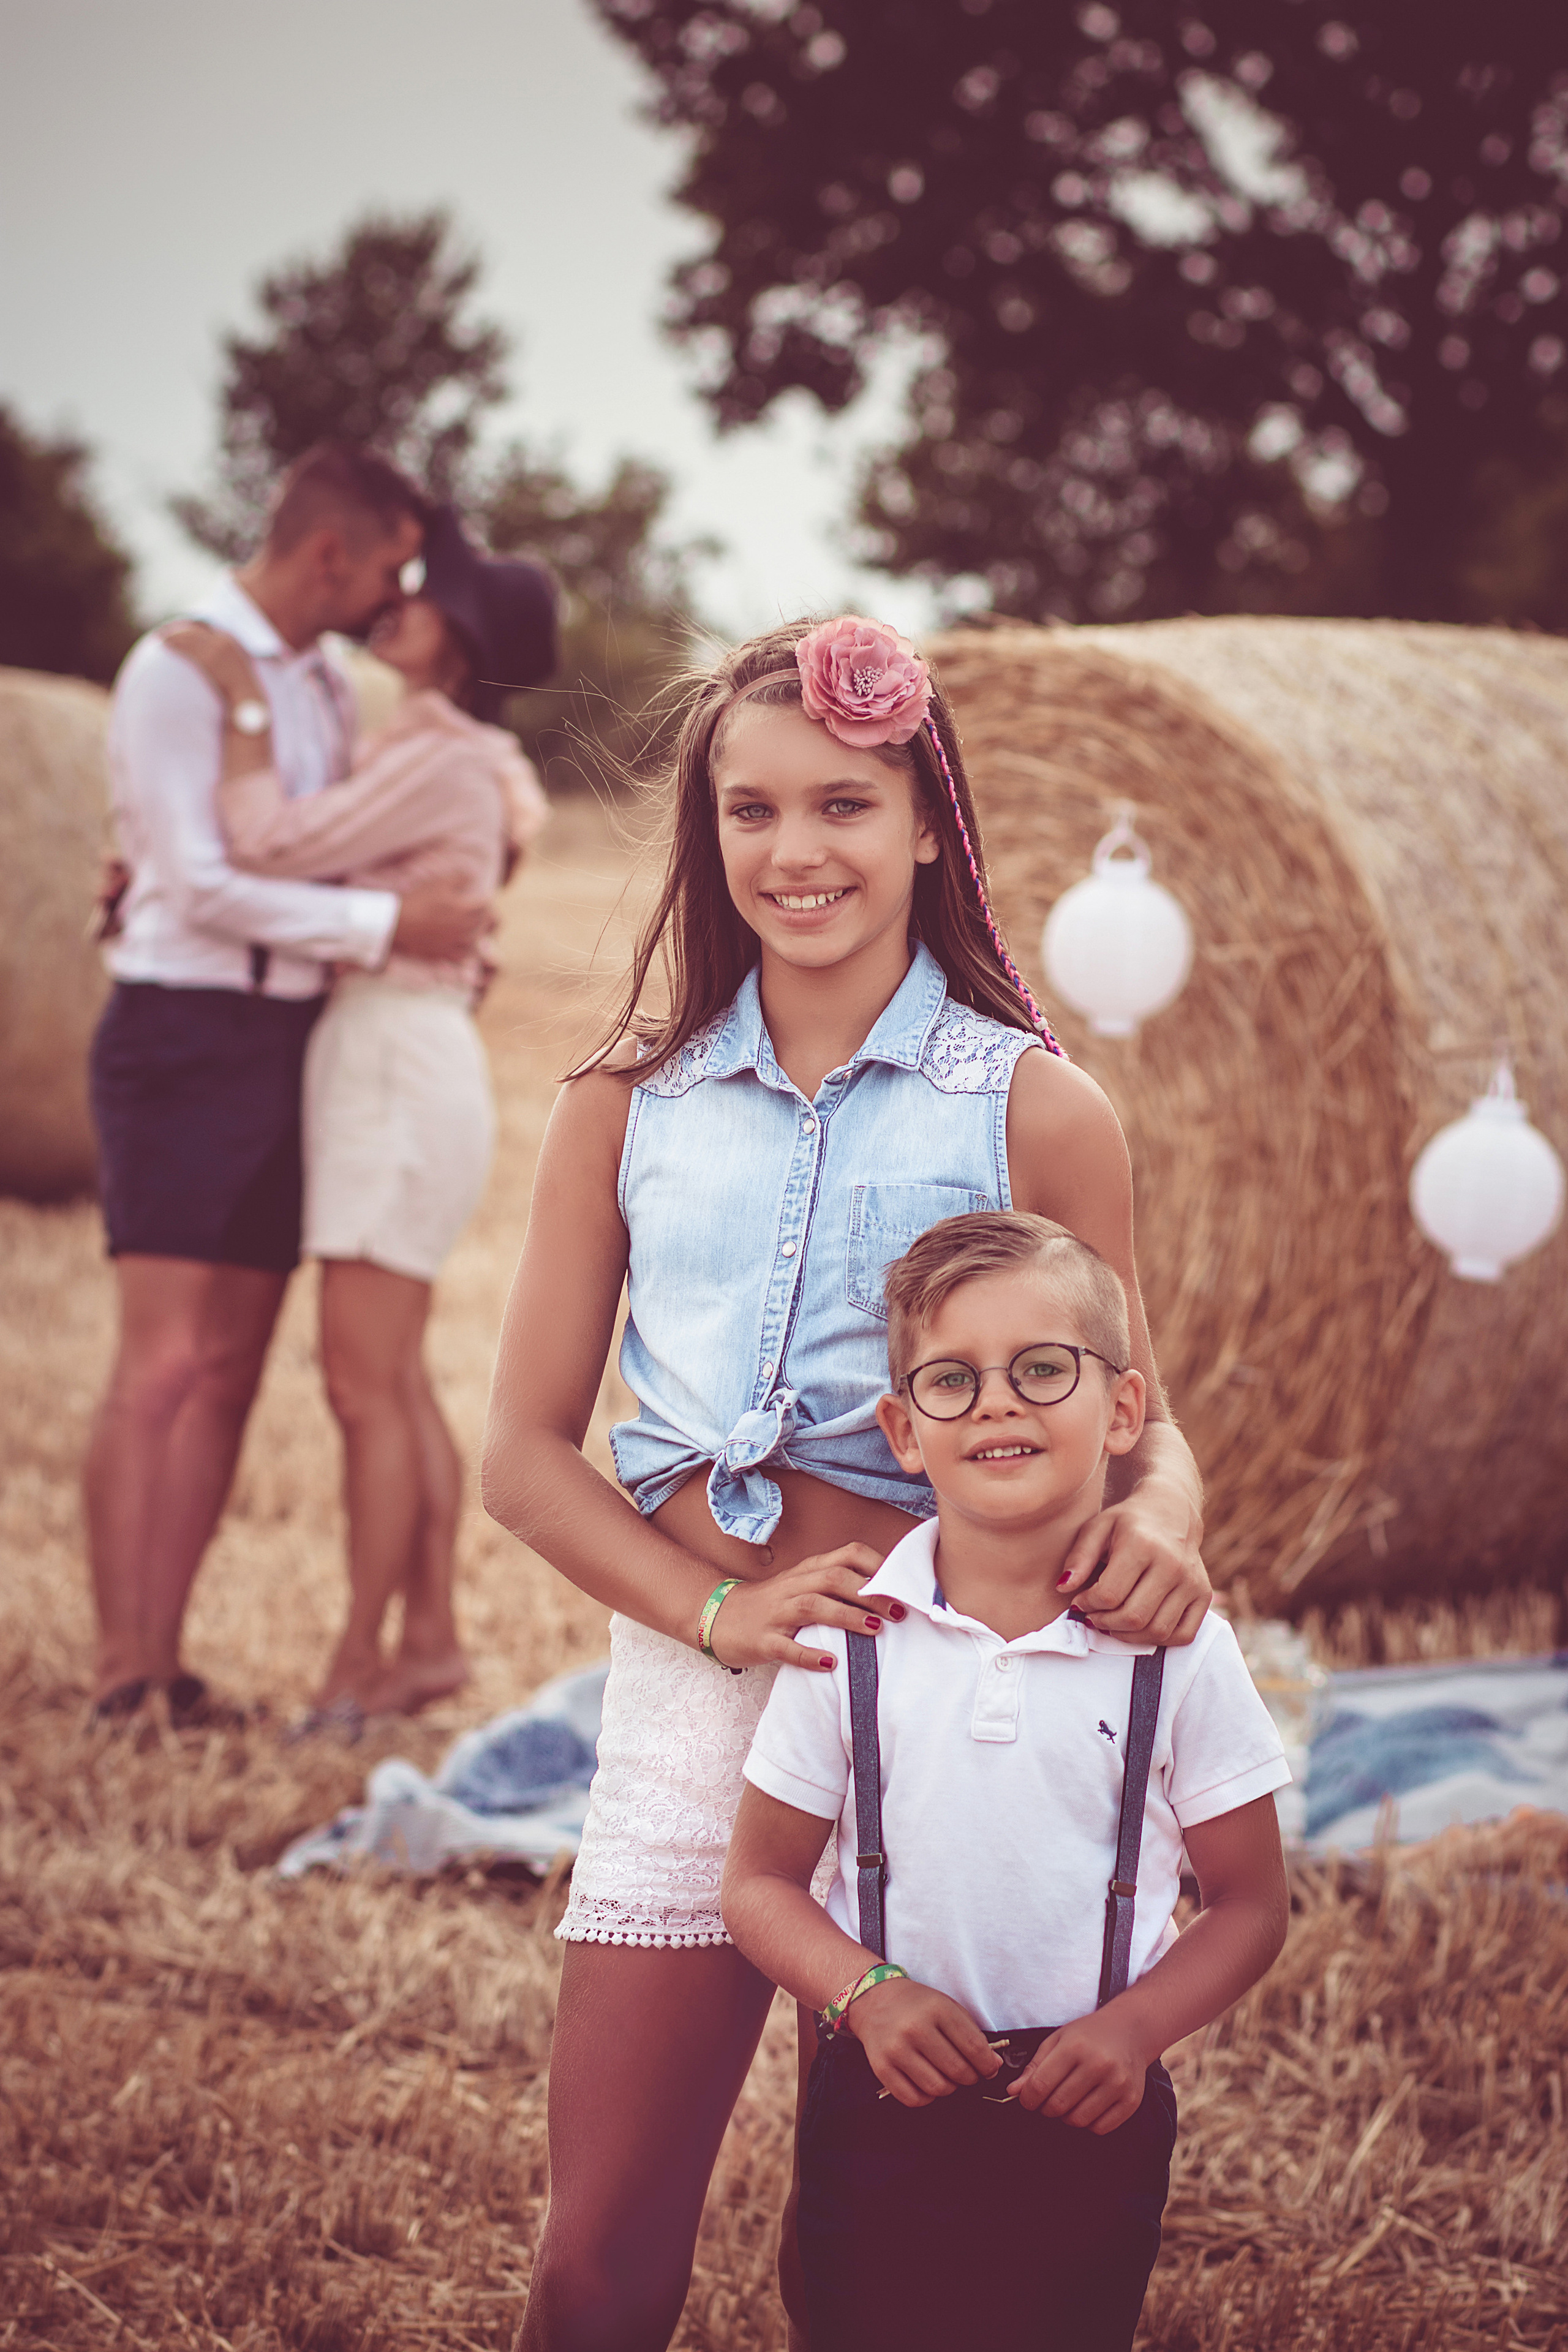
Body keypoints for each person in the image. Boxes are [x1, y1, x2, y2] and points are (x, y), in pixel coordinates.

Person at [481, 613, 1213, 2351]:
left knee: (888, 2265)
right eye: (752, 813)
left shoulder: (1034, 1107)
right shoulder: (627, 1107)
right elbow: (519, 1457)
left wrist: (1162, 1527)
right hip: (698, 1682)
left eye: (843, 807)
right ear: (706, 833)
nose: (796, 853)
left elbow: (1138, 1420)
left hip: (945, 1711)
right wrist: (715, 1615)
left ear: (926, 826)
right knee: (599, 2258)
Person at [723, 1210, 1291, 2352]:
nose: (996, 1403)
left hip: (1090, 2103)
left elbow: (1252, 1903)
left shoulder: (1179, 1650)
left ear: (1122, 1409)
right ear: (901, 1429)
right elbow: (758, 1885)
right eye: (952, 1380)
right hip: (881, 2093)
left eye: (1042, 1368)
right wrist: (863, 1994)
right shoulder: (852, 1637)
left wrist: (1134, 2034)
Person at [84, 442, 491, 1726]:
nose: (393, 590)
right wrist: (389, 926)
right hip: (184, 1031)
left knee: (233, 1369)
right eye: (387, 564)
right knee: (160, 1367)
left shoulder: (317, 686)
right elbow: (203, 879)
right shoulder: (177, 669)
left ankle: (171, 1668)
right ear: (331, 550)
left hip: (291, 1042)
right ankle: (123, 1673)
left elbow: (323, 848)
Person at [158, 505, 556, 1728]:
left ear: (456, 639)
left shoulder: (437, 755)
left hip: (392, 1069)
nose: (404, 593)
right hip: (391, 1060)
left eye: (427, 589)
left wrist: (230, 705)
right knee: (389, 1381)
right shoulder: (440, 754)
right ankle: (424, 1642)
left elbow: (266, 841)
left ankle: (356, 1667)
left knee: (361, 1389)